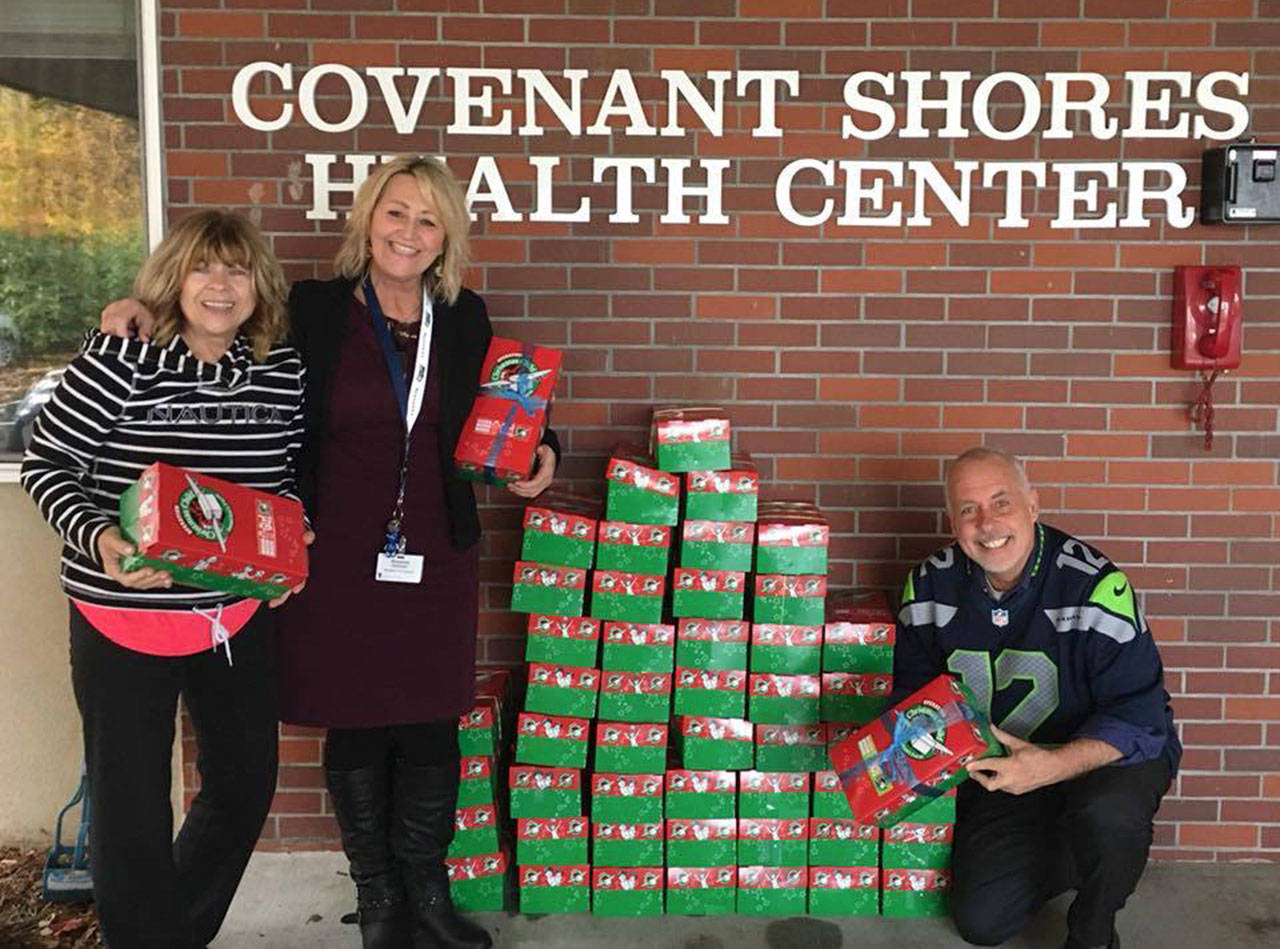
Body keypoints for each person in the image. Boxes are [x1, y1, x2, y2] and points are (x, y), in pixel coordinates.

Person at [101, 156, 557, 949]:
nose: (407, 233)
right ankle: (377, 899)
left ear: (446, 236)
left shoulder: (465, 316)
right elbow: (215, 316)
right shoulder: (311, 308)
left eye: (426, 219)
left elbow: (506, 411)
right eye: (395, 213)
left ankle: (427, 891)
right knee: (356, 721)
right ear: (367, 220)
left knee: (429, 725)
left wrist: (543, 450)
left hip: (432, 557)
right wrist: (134, 307)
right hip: (333, 552)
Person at [23, 210, 307, 948]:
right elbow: (45, 464)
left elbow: (283, 484)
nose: (221, 285)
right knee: (132, 808)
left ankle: (169, 933)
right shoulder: (123, 357)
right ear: (172, 282)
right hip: (122, 614)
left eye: (238, 269)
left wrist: (289, 548)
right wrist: (102, 537)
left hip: (232, 616)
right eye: (203, 268)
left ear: (259, 285)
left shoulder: (281, 369)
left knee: (246, 782)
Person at [893, 447, 1180, 949]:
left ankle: (1094, 925)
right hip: (1005, 769)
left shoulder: (1094, 584)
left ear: (1033, 505)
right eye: (968, 509)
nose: (986, 523)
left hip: (1106, 759)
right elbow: (915, 703)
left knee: (1109, 815)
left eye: (1001, 503)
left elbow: (1141, 716)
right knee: (982, 922)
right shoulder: (928, 586)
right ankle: (1076, 846)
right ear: (952, 521)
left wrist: (1050, 767)